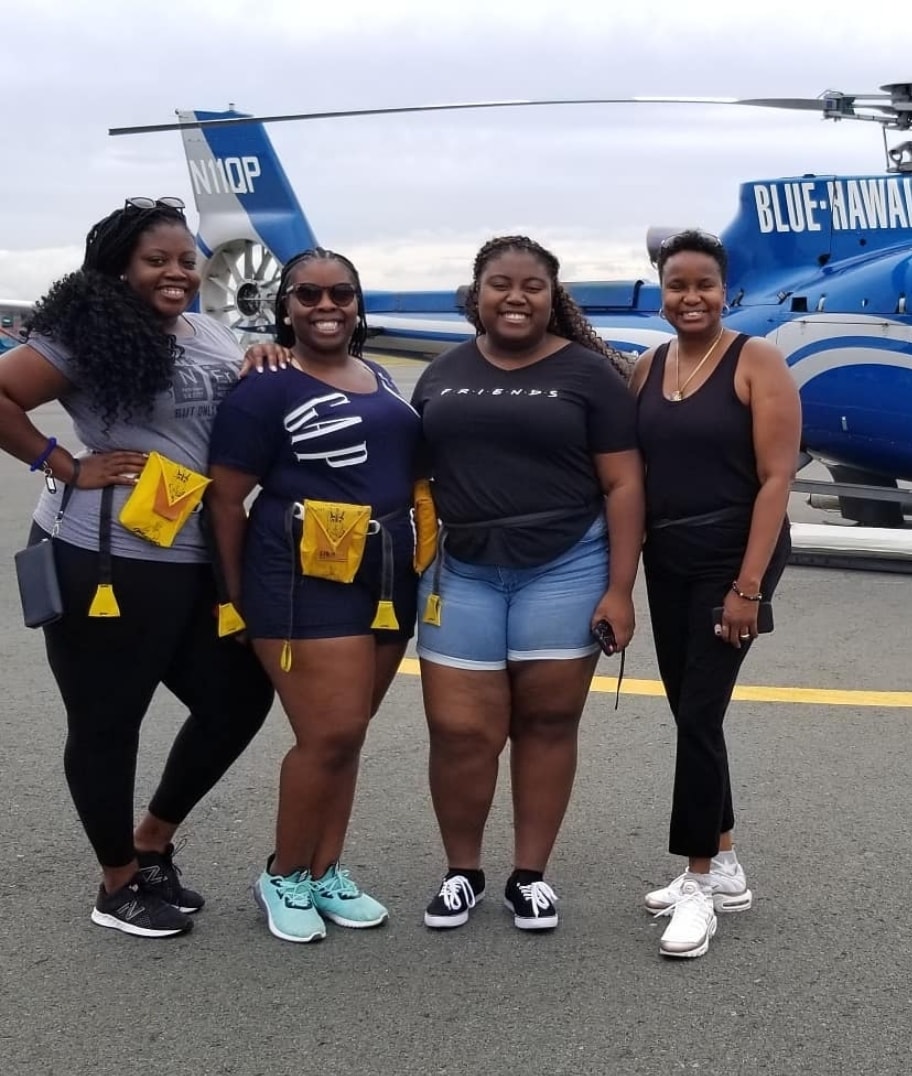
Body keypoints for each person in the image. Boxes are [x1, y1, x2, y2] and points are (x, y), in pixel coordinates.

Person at [0, 198, 274, 938]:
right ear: (121, 267)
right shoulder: (82, 332)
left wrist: (258, 358)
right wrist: (61, 463)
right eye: (157, 260)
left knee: (238, 698)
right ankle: (117, 883)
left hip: (197, 552)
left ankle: (152, 841)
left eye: (186, 260)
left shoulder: (207, 327)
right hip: (108, 558)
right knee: (107, 720)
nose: (176, 272)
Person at [410, 235, 645, 932]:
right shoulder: (441, 372)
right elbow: (409, 472)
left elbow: (624, 481)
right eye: (500, 284)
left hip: (568, 565)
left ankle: (529, 875)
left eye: (532, 286)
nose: (516, 297)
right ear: (477, 294)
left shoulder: (589, 374)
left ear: (554, 296)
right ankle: (462, 871)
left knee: (546, 722)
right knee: (458, 731)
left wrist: (620, 588)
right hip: (464, 570)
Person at [206, 248, 422, 944]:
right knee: (326, 733)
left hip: (385, 576)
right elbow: (226, 502)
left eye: (341, 295)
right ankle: (284, 872)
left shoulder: (380, 375)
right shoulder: (264, 385)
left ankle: (326, 870)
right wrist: (235, 599)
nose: (326, 308)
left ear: (359, 303)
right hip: (298, 579)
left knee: (348, 735)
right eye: (308, 296)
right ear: (286, 305)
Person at [629, 229, 801, 959]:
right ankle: (725, 860)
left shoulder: (756, 360)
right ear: (660, 292)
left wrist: (748, 587)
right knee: (688, 711)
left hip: (735, 556)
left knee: (699, 713)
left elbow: (777, 479)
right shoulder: (644, 368)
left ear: (725, 292)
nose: (690, 297)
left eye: (704, 285)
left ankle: (698, 879)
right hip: (668, 556)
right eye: (677, 285)